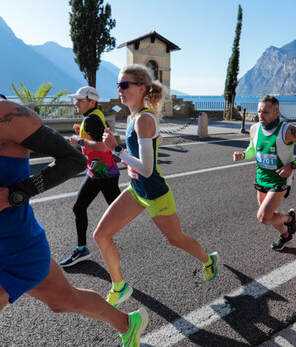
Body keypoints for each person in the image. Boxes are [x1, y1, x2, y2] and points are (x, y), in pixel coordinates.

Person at [0, 2, 147, 346]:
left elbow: (72, 158)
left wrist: (11, 195)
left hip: (8, 254)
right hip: (15, 247)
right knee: (67, 301)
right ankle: (128, 323)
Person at [94, 64, 220, 308]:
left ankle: (208, 259)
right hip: (136, 189)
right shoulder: (132, 117)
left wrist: (115, 149)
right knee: (101, 234)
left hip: (154, 193)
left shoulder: (143, 120)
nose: (119, 90)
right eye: (117, 85)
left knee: (177, 239)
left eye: (123, 85)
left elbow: (147, 169)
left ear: (141, 88)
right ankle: (119, 286)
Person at [233, 95, 296, 251]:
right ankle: (286, 236)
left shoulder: (288, 131)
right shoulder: (255, 128)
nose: (260, 115)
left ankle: (289, 218)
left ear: (276, 112)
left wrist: (293, 165)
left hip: (280, 180)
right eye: (259, 111)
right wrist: (243, 154)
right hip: (261, 179)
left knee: (264, 217)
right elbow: (253, 149)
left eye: (265, 112)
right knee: (269, 216)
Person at [59, 86, 121, 267]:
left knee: (120, 210)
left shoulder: (92, 119)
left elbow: (102, 146)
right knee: (79, 208)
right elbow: (101, 135)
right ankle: (81, 248)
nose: (75, 103)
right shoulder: (93, 117)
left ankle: (103, 241)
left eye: (79, 100)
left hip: (104, 173)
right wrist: (82, 131)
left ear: (91, 102)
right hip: (98, 171)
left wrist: (79, 140)